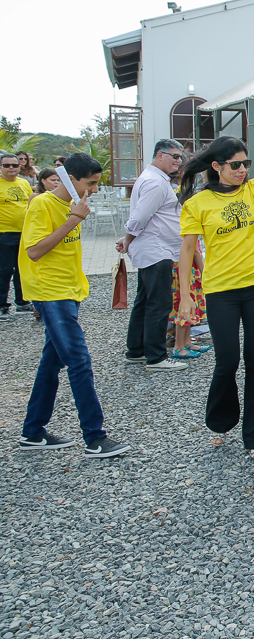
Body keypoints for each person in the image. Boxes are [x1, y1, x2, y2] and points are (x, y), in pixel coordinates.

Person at [177, 108, 254, 460]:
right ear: (217, 166)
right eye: (235, 165)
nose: (243, 170)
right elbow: (185, 252)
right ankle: (219, 421)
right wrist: (185, 297)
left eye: (245, 163)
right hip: (220, 291)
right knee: (227, 360)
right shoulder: (197, 203)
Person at [18, 152, 130, 458]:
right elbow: (35, 251)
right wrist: (74, 219)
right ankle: (95, 437)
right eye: (90, 183)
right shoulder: (43, 204)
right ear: (72, 178)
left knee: (51, 363)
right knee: (79, 361)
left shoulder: (72, 205)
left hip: (69, 291)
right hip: (50, 292)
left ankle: (33, 432)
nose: (93, 190)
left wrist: (74, 215)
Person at [116, 139, 187, 372]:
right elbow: (139, 217)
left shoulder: (153, 179)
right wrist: (127, 239)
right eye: (174, 156)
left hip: (156, 248)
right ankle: (156, 357)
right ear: (159, 155)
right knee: (159, 303)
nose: (178, 161)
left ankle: (136, 350)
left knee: (145, 301)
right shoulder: (155, 182)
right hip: (156, 249)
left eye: (180, 157)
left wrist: (129, 239)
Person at [0, 153, 33, 320]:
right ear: (1, 167)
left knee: (22, 270)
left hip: (24, 233)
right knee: (4, 271)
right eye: (7, 165)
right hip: (4, 234)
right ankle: (2, 306)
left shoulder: (24, 183)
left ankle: (23, 302)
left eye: (14, 165)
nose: (11, 168)